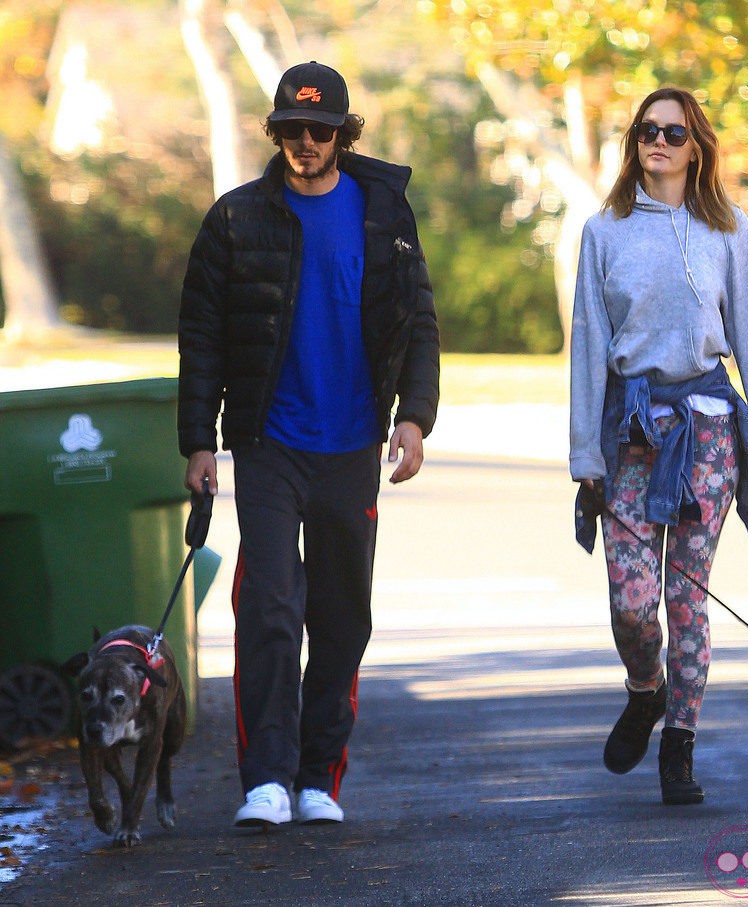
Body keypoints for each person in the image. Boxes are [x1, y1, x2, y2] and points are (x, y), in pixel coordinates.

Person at [177, 61, 439, 827]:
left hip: (354, 443)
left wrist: (414, 417)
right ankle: (265, 778)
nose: (305, 142)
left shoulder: (383, 213)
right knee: (267, 606)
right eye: (291, 129)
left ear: (344, 136)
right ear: (277, 132)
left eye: (320, 130)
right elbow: (202, 340)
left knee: (338, 614)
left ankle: (319, 775)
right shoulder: (234, 220)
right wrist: (199, 441)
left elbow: (419, 322)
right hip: (268, 443)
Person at [570, 87, 748, 806]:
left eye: (672, 131)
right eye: (646, 130)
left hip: (706, 436)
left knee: (686, 598)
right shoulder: (603, 230)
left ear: (695, 145)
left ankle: (680, 746)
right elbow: (587, 349)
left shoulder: (728, 228)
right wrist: (586, 456)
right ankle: (647, 689)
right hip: (632, 436)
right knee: (632, 603)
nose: (657, 141)